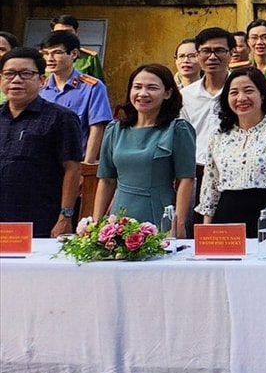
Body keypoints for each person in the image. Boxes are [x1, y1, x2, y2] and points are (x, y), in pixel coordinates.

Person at [195, 67, 266, 237]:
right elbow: (210, 183)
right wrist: (207, 228)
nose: (241, 98)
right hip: (227, 214)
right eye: (234, 93)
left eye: (248, 91)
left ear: (262, 94)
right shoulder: (219, 134)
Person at [93, 63, 196, 231]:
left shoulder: (178, 129)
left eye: (152, 88)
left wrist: (179, 223)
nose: (143, 93)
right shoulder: (114, 130)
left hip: (159, 213)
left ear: (167, 93)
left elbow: (186, 179)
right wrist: (97, 224)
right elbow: (106, 179)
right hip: (119, 214)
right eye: (137, 87)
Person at [1, 47, 87, 237]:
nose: (16, 80)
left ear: (42, 80)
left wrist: (65, 217)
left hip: (39, 221)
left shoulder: (61, 118)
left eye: (25, 74)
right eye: (9, 74)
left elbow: (73, 169)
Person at [39, 30, 111, 175]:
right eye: (45, 53)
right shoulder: (40, 87)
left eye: (57, 52)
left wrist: (87, 166)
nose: (50, 58)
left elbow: (97, 128)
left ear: (74, 54)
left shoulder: (93, 87)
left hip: (74, 165)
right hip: (42, 164)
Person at [180, 27, 235, 144]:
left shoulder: (241, 93)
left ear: (231, 53)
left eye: (219, 50)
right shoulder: (186, 95)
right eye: (206, 51)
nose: (212, 57)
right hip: (195, 161)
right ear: (197, 55)